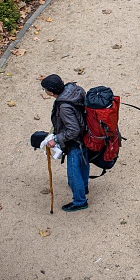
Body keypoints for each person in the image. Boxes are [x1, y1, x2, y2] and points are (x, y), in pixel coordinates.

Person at [41, 74, 90, 212]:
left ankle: (80, 202)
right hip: (86, 135)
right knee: (84, 164)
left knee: (74, 173)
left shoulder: (64, 107)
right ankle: (84, 186)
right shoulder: (73, 90)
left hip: (75, 142)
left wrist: (56, 139)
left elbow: (73, 130)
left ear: (51, 92)